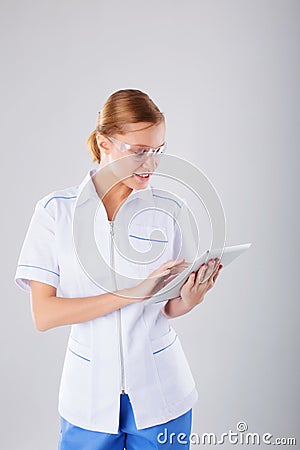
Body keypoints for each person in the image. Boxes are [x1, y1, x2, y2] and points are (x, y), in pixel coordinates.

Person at [14, 89, 222, 450]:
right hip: (88, 397)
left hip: (162, 392)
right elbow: (44, 315)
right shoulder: (55, 212)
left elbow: (167, 306)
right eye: (139, 151)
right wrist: (130, 293)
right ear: (103, 142)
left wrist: (190, 299)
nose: (151, 164)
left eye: (158, 151)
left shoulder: (169, 209)